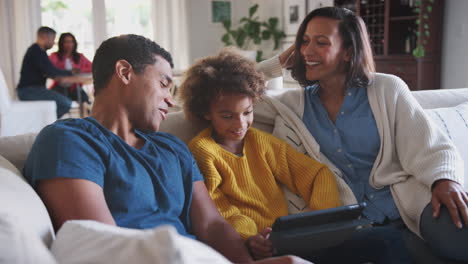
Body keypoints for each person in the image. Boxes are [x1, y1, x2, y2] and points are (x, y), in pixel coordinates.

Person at [23, 34, 309, 264]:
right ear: (124, 72)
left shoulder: (172, 147)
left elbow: (211, 225)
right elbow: (103, 243)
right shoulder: (69, 140)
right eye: (164, 84)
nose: (170, 101)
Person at [256, 6, 468, 263]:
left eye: (321, 42)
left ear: (348, 52)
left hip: (410, 207)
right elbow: (225, 94)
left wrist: (445, 180)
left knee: (459, 235)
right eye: (304, 41)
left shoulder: (386, 89)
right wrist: (276, 65)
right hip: (349, 226)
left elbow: (430, 144)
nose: (307, 51)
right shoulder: (290, 105)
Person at [178, 50, 341, 260]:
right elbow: (218, 211)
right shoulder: (203, 150)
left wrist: (314, 222)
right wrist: (250, 237)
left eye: (247, 112)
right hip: (241, 245)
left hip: (285, 239)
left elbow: (317, 174)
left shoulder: (261, 142)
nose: (240, 124)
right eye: (227, 116)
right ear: (206, 112)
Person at [16, 27, 86, 118]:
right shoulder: (36, 52)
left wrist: (69, 73)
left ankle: (45, 122)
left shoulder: (38, 51)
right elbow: (52, 72)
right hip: (29, 91)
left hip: (32, 90)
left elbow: (50, 71)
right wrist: (71, 73)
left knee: (66, 101)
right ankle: (45, 123)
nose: (53, 43)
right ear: (45, 37)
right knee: (65, 103)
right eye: (53, 39)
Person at [49, 32, 92, 104]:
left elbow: (92, 67)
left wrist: (80, 70)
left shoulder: (80, 56)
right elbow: (50, 69)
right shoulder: (54, 56)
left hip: (75, 87)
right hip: (59, 86)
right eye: (66, 42)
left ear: (74, 43)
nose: (69, 44)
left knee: (86, 101)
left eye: (71, 42)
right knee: (55, 101)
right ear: (61, 43)